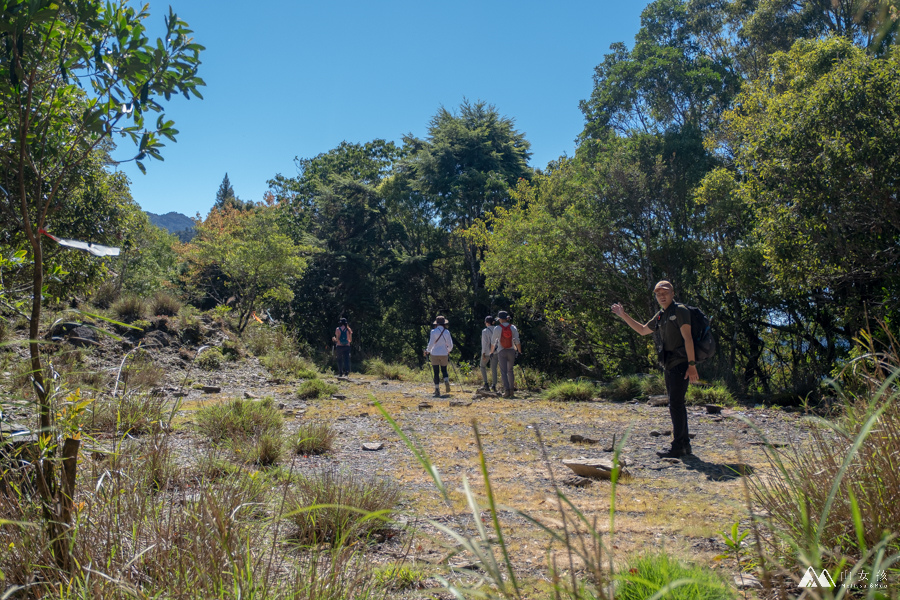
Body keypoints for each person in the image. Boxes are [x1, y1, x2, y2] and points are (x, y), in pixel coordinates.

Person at [611, 280, 699, 458]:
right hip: (670, 364)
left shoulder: (680, 311)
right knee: (676, 404)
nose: (662, 296)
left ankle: (679, 446)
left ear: (672, 293)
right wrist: (623, 315)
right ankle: (684, 445)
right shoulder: (661, 315)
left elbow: (688, 338)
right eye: (658, 294)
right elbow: (643, 330)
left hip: (681, 364)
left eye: (665, 292)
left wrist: (691, 365)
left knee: (675, 404)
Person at [490, 311, 521, 398]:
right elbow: (517, 340)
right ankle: (512, 391)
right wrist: (519, 351)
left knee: (503, 372)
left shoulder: (497, 328)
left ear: (500, 319)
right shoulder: (513, 327)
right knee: (510, 371)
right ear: (507, 318)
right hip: (511, 350)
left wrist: (491, 352)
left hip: (501, 351)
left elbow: (493, 342)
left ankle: (506, 391)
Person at [424, 315, 453, 397]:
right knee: (444, 370)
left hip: (434, 353)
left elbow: (431, 343)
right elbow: (450, 344)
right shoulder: (447, 332)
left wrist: (427, 351)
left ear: (436, 323)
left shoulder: (433, 332)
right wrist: (448, 350)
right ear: (444, 323)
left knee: (436, 372)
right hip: (444, 353)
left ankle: (437, 389)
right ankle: (446, 381)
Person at [480, 315, 498, 391]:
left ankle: (486, 383)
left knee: (482, 366)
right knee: (494, 368)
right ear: (493, 322)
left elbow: (484, 343)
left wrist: (483, 353)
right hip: (495, 351)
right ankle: (494, 385)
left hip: (487, 351)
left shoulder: (485, 331)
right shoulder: (497, 330)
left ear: (486, 322)